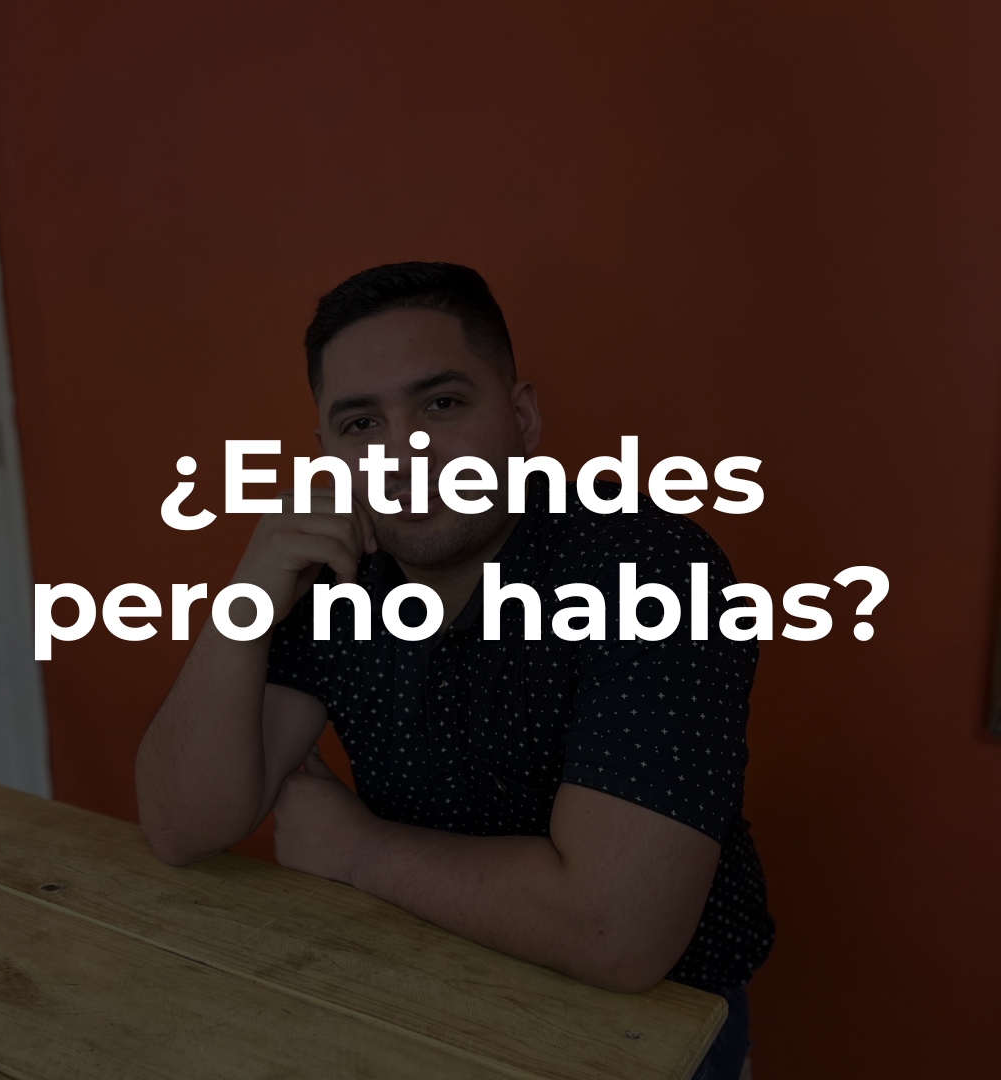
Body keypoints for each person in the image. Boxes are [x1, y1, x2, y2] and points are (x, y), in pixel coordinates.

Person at [136, 262, 773, 1078]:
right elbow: (182, 826)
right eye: (361, 424)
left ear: (521, 417)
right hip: (413, 995)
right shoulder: (337, 574)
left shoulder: (649, 568)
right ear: (328, 456)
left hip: (647, 1041)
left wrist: (356, 850)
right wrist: (247, 595)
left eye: (441, 404)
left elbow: (616, 934)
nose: (403, 451)